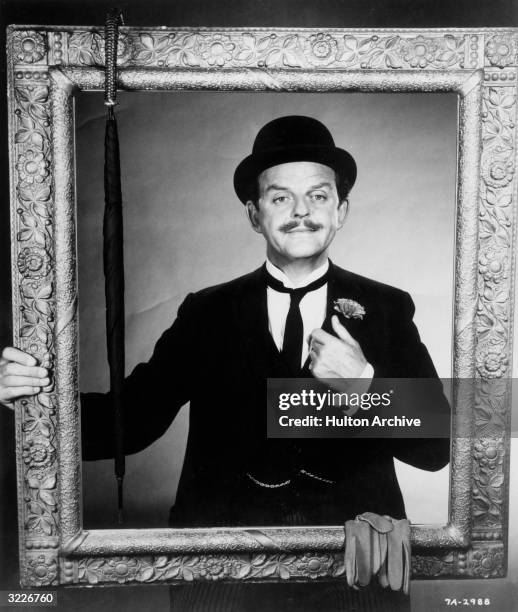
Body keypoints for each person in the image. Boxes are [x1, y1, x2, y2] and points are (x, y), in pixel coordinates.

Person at [0, 115, 450, 610]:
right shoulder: (206, 311)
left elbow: (435, 448)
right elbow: (134, 422)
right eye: (280, 197)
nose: (302, 212)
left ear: (341, 210)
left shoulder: (387, 307)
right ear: (254, 215)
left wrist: (364, 383)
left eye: (318, 196)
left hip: (357, 570)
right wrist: (34, 402)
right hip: (223, 573)